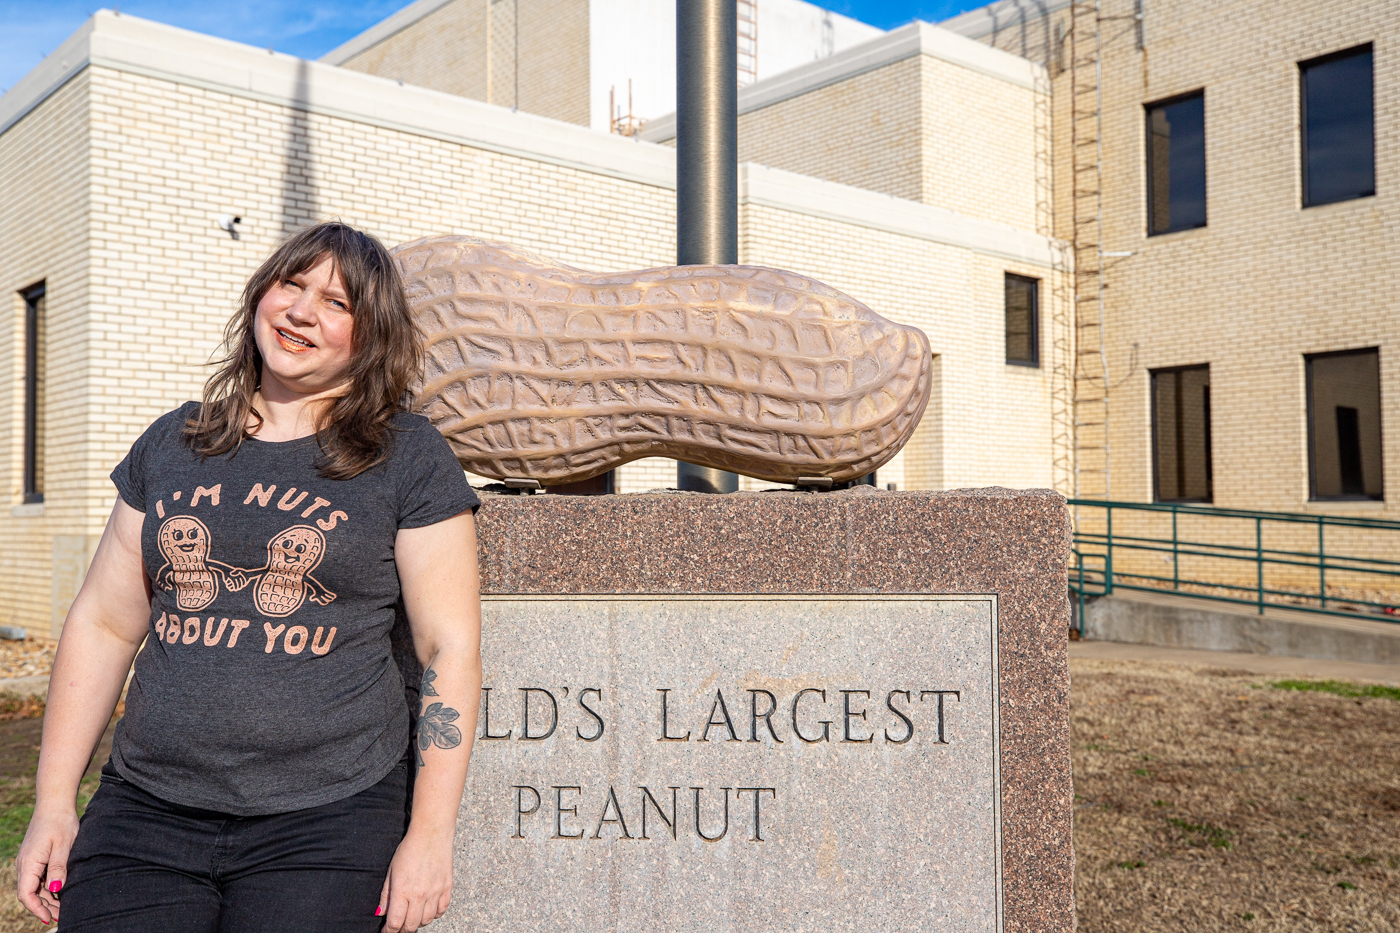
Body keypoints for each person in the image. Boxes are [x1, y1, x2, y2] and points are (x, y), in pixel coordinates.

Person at [16, 222, 482, 932]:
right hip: (146, 812)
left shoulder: (405, 456)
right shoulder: (175, 443)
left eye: (336, 302)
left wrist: (431, 834)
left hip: (328, 824)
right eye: (290, 285)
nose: (300, 311)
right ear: (260, 296)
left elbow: (447, 646)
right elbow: (105, 624)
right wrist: (53, 800)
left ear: (371, 334)